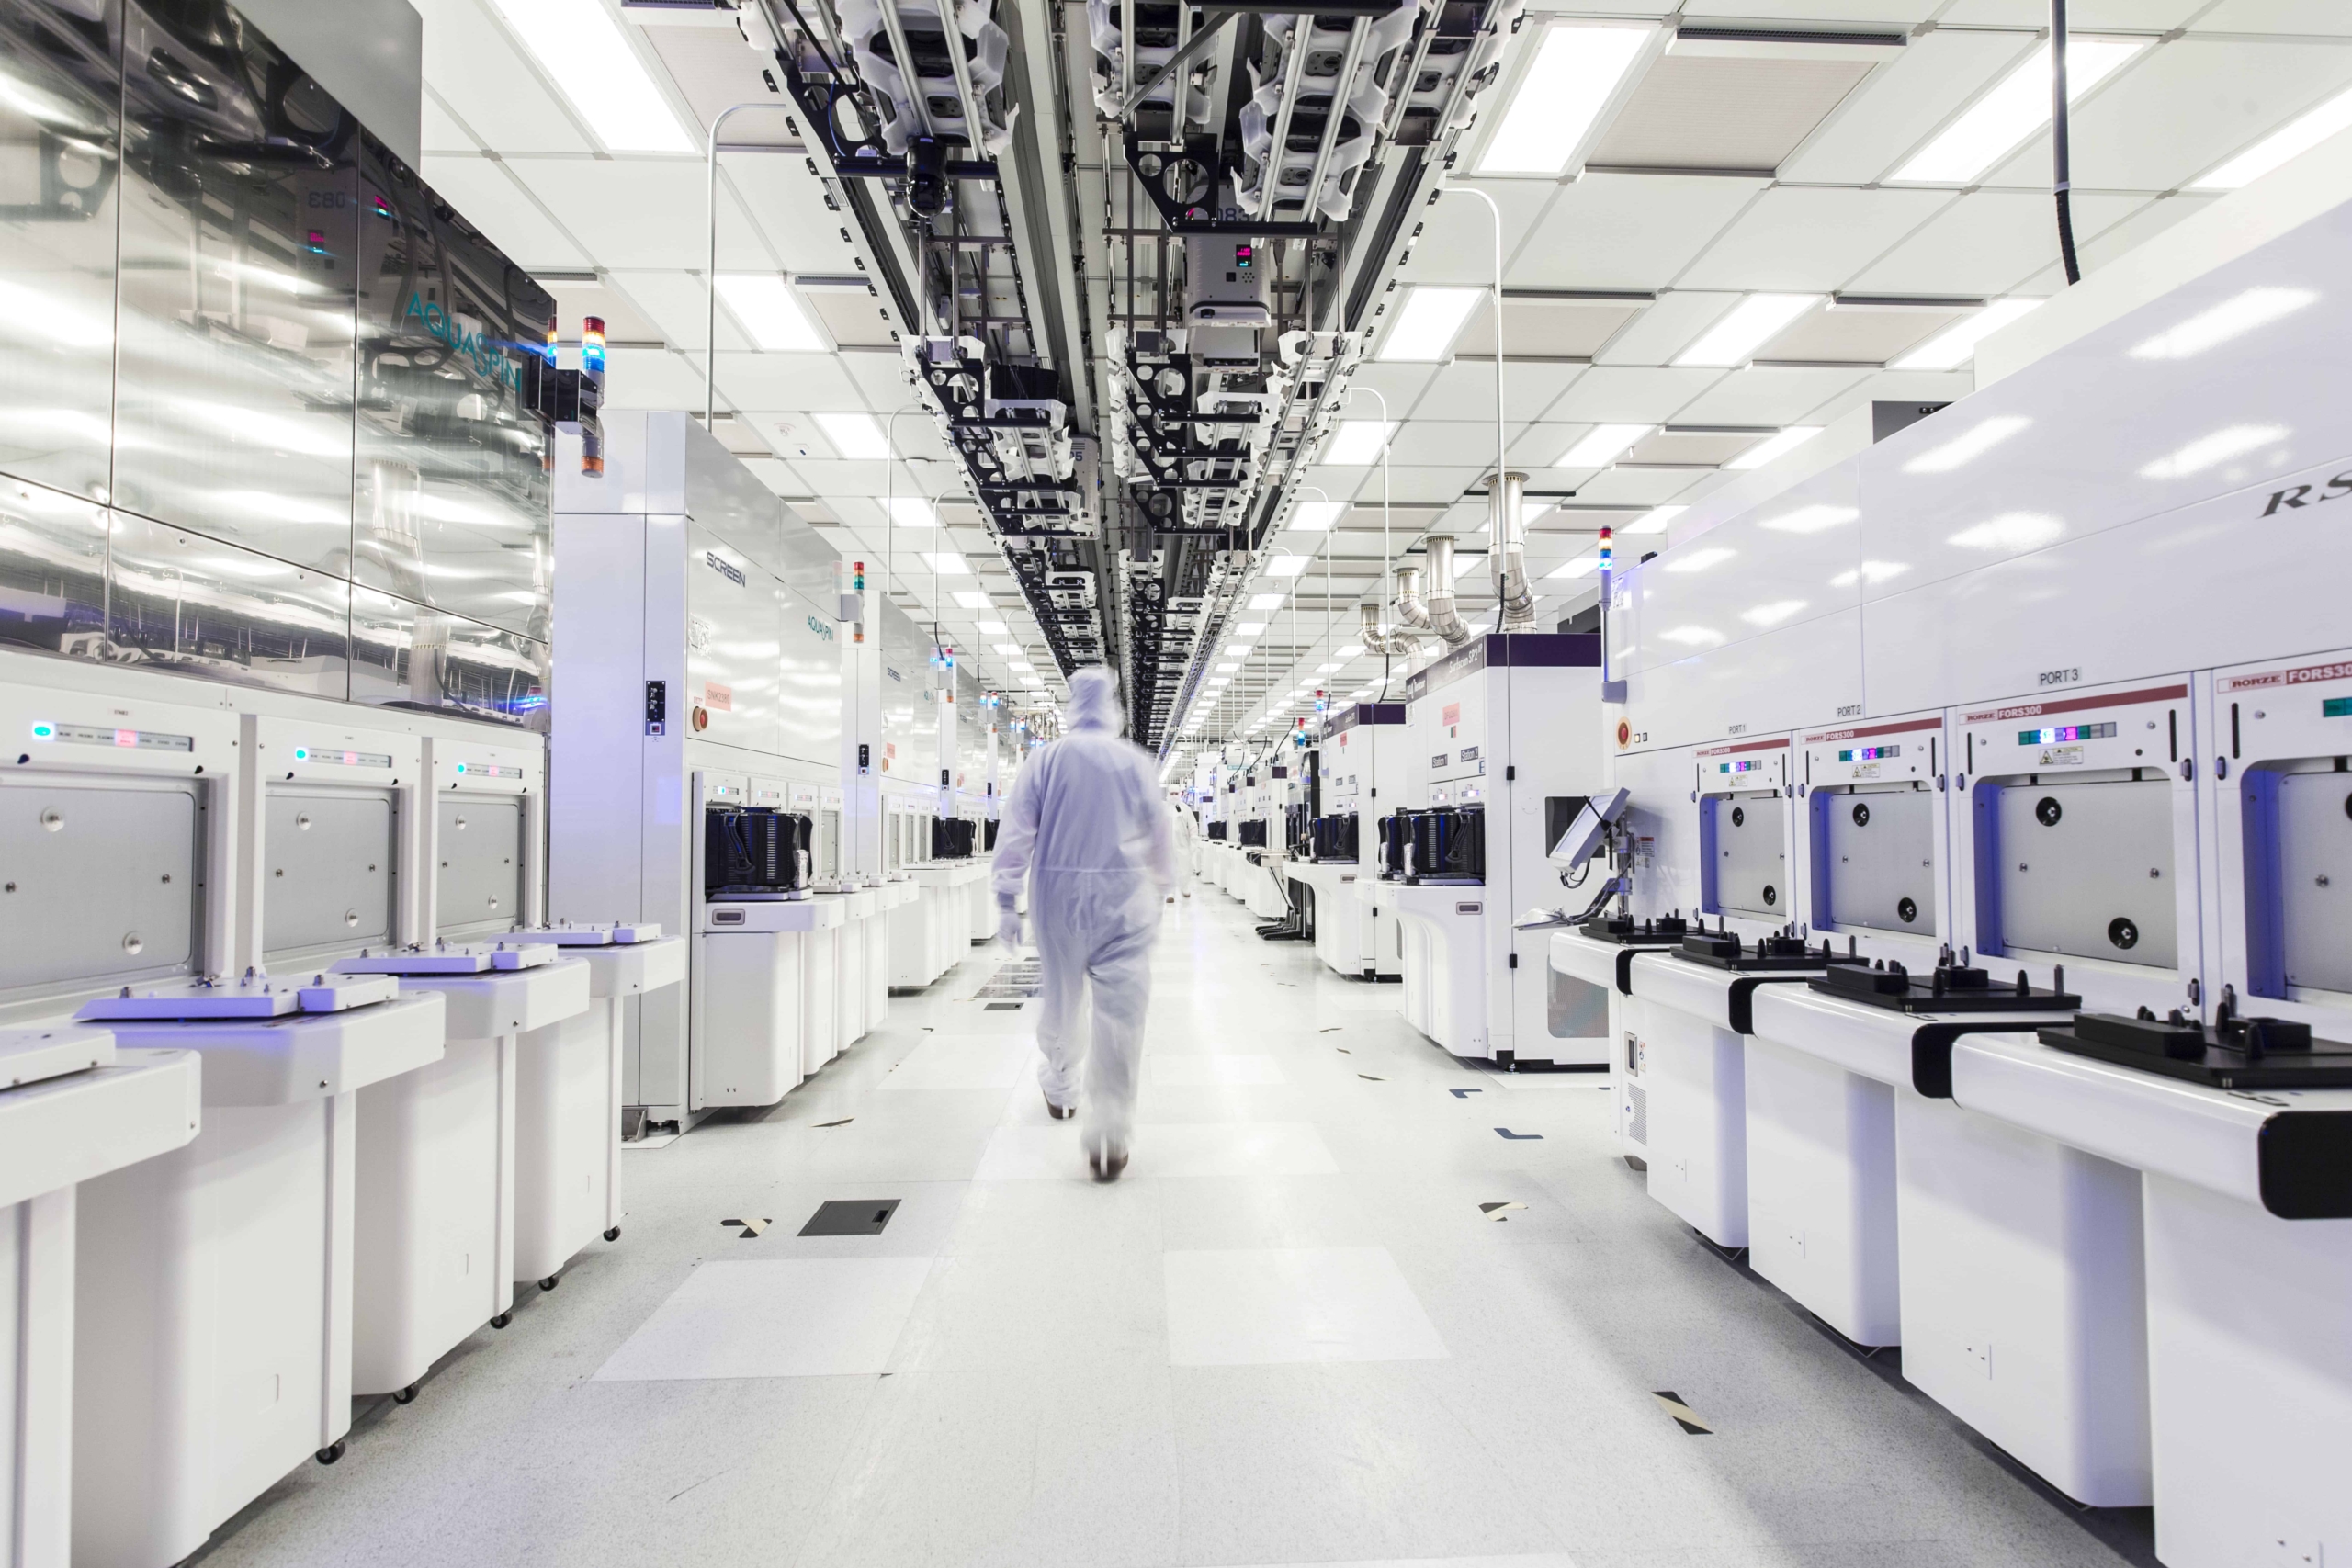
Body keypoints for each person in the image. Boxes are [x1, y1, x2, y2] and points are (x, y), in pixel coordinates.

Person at [992, 666, 1176, 1179]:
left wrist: (1006, 897)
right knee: (1122, 1015)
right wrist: (1164, 886)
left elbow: (1016, 832)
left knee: (1063, 998)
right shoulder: (1134, 761)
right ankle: (1111, 1134)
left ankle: (1060, 1083)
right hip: (1125, 902)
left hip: (1059, 900)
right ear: (1114, 707)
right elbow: (1159, 833)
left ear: (1072, 707)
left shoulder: (1045, 760)